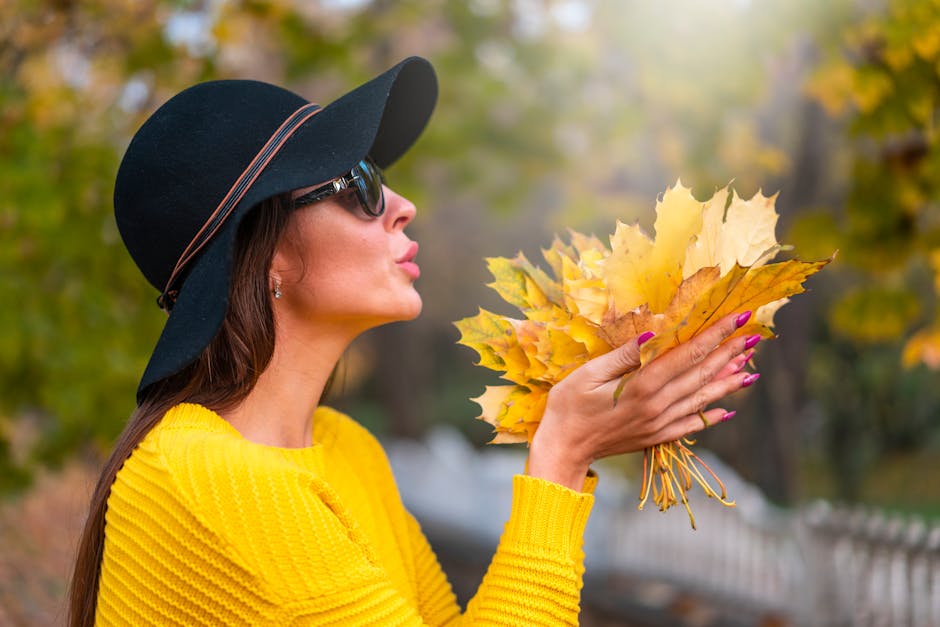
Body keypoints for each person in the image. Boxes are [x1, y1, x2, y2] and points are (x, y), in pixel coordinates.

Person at [68, 56, 761, 626]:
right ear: (267, 250)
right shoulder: (201, 480)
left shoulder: (347, 452)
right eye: (359, 183)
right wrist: (560, 454)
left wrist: (568, 446)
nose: (402, 205)